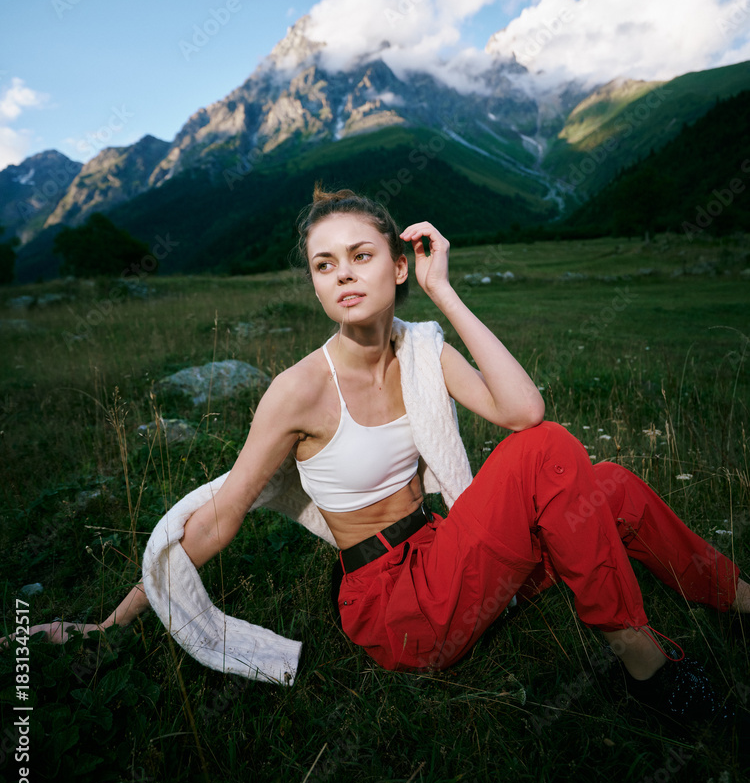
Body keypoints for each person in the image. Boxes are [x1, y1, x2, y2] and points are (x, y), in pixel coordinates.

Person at [7, 186, 750, 734]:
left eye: (362, 256)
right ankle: (644, 662)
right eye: (323, 264)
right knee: (550, 455)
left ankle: (735, 597)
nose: (343, 274)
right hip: (395, 609)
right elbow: (214, 522)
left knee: (607, 484)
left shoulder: (421, 348)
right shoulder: (298, 391)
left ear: (399, 265)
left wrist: (446, 293)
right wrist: (112, 625)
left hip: (445, 560)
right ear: (313, 281)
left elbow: (522, 409)